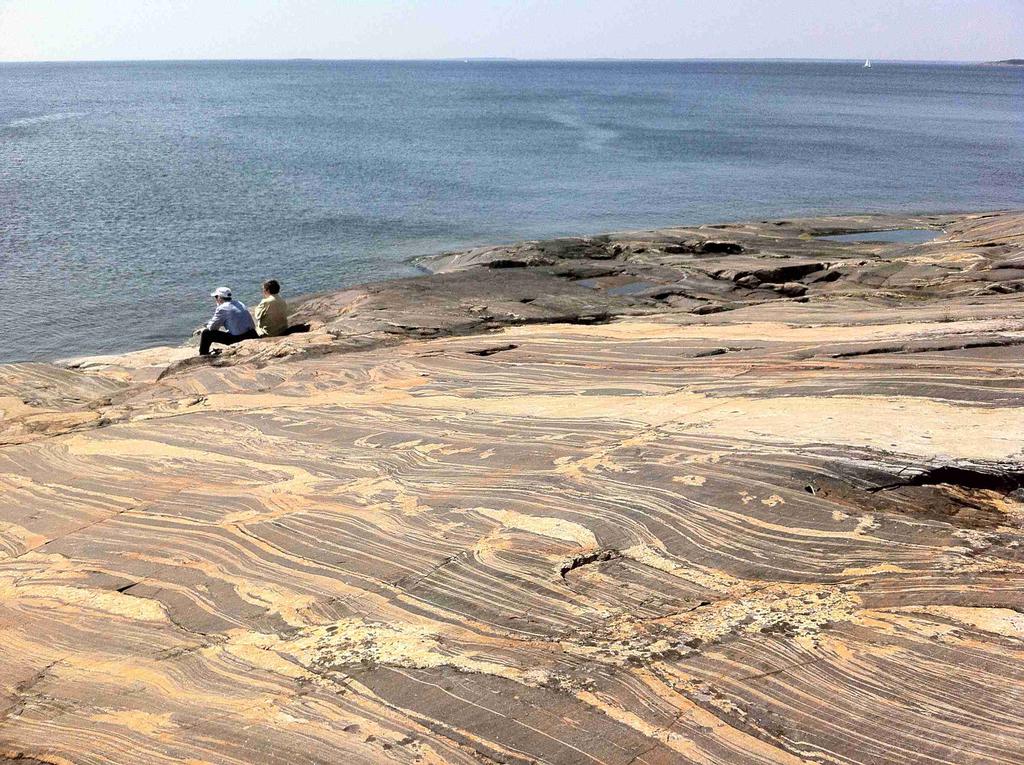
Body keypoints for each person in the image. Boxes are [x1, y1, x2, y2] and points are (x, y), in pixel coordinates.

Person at [195, 287, 257, 356]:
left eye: (216, 297)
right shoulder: (239, 303)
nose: (215, 299)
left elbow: (212, 328)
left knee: (206, 333)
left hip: (237, 338)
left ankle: (203, 355)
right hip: (251, 334)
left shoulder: (222, 308)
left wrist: (205, 327)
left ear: (219, 298)